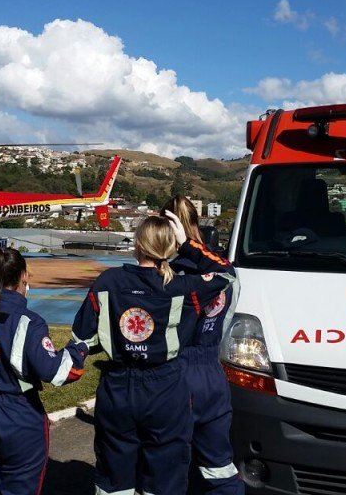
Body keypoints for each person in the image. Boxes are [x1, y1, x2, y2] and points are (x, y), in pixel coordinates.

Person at [72, 212, 237, 495]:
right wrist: (188, 245)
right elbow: (225, 272)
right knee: (165, 475)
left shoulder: (108, 282)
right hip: (166, 387)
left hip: (119, 386)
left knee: (114, 474)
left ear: (137, 244)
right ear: (170, 248)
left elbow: (82, 337)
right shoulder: (182, 288)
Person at [0, 247, 88, 495]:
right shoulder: (28, 321)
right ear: (23, 276)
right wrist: (78, 351)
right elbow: (56, 371)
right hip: (19, 416)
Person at [162, 196, 244, 495]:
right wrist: (192, 247)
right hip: (212, 376)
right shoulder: (219, 272)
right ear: (196, 223)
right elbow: (229, 273)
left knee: (167, 468)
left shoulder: (168, 274)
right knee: (219, 466)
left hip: (174, 376)